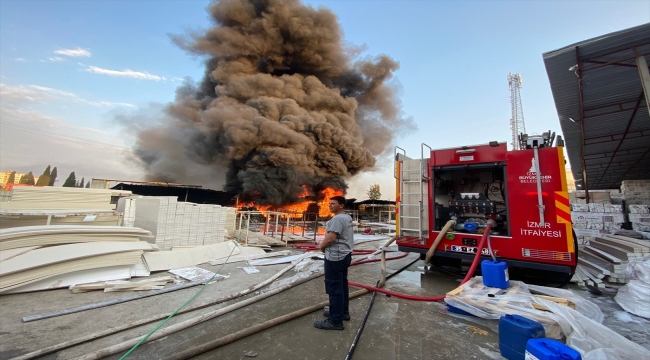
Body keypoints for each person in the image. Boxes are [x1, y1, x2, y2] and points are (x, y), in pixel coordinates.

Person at [314, 196, 354, 330]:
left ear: (341, 205)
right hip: (344, 255)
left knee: (334, 288)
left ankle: (335, 321)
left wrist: (321, 246)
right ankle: (342, 313)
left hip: (335, 257)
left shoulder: (337, 219)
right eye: (329, 203)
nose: (330, 206)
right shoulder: (347, 217)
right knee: (342, 285)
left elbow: (331, 238)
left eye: (333, 204)